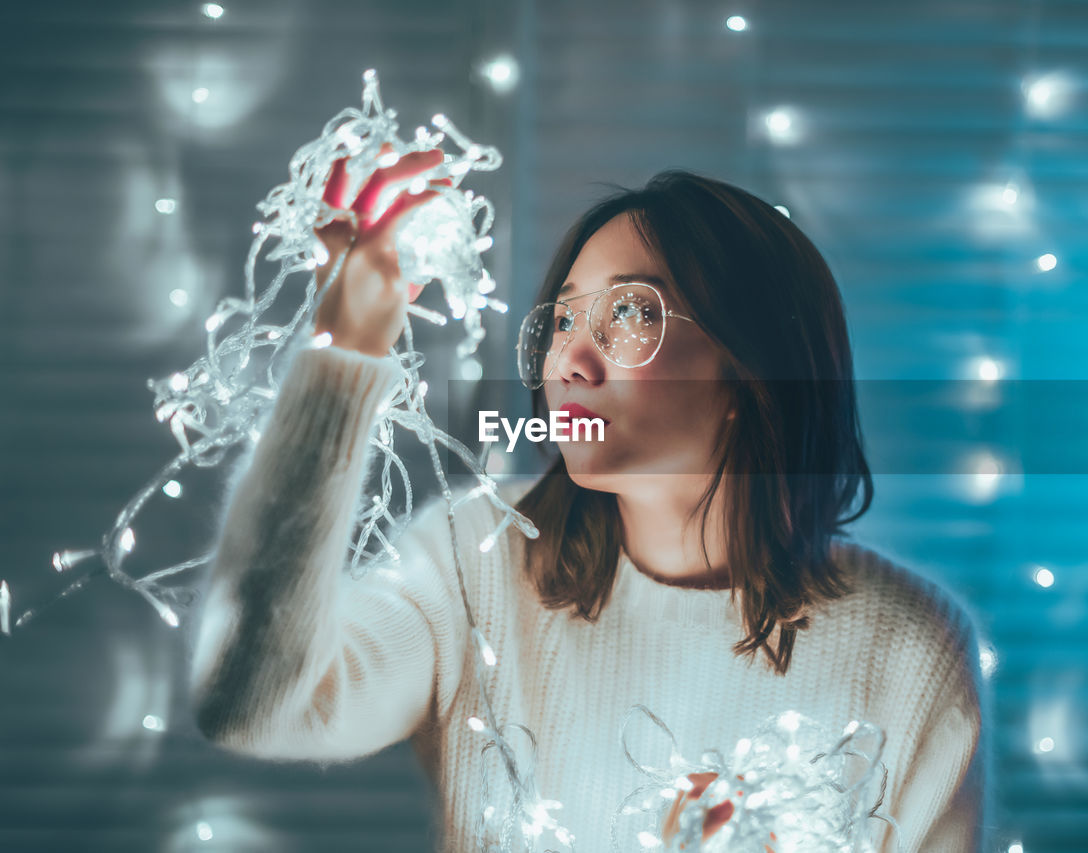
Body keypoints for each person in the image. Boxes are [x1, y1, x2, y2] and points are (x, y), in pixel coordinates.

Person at [188, 151, 987, 852]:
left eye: (631, 313)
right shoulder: (477, 563)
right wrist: (346, 352)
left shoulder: (909, 650)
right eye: (563, 317)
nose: (568, 357)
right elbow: (253, 706)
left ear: (752, 369)